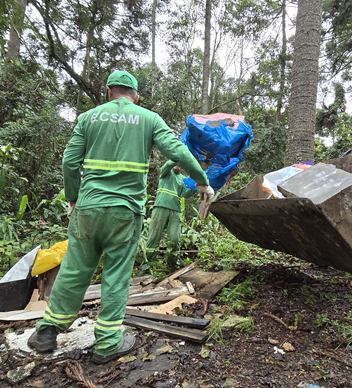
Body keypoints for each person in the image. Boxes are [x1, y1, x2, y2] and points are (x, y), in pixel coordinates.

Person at [27, 71, 214, 364]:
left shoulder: (88, 118)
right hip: (125, 213)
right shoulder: (149, 118)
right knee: (116, 275)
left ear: (109, 93)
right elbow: (177, 150)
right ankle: (107, 344)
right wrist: (202, 181)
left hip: (88, 208)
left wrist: (73, 199)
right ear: (135, 96)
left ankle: (47, 332)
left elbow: (69, 161)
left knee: (74, 270)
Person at [145, 160, 197, 270]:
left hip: (176, 211)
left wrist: (195, 186)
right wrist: (177, 156)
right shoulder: (166, 172)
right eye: (176, 162)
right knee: (154, 236)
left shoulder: (183, 179)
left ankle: (172, 265)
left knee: (174, 239)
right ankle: (148, 264)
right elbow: (168, 165)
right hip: (160, 207)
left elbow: (185, 194)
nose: (177, 165)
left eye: (180, 163)